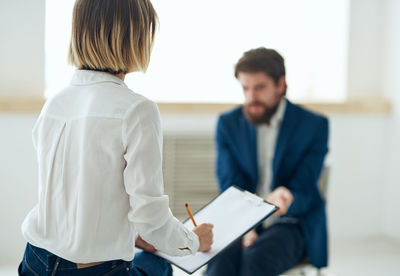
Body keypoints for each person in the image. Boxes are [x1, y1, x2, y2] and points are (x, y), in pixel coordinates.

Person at [18, 0, 213, 275]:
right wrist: (194, 241)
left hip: (34, 260)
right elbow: (151, 219)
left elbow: (77, 199)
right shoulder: (137, 109)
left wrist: (131, 234)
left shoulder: (55, 103)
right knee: (162, 266)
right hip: (92, 269)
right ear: (137, 37)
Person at [207, 47, 329, 276]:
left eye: (259, 87)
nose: (251, 97)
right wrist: (245, 225)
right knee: (220, 261)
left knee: (256, 260)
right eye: (245, 88)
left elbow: (305, 185)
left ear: (280, 85)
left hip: (292, 222)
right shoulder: (228, 124)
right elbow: (230, 183)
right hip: (241, 218)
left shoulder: (314, 126)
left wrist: (287, 197)